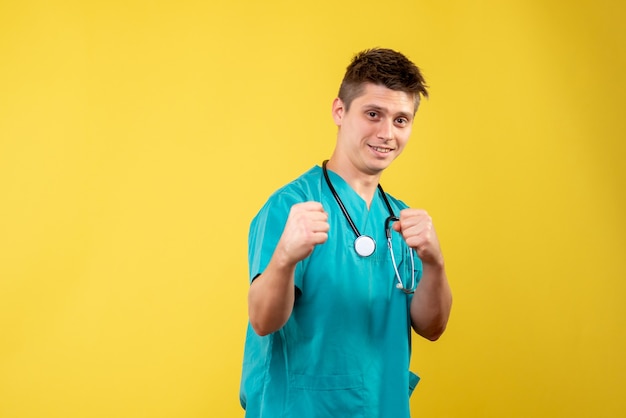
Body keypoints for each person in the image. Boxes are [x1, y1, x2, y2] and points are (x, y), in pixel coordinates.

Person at [239, 48, 453, 417]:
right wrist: (285, 258)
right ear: (340, 111)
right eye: (373, 114)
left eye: (401, 120)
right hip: (301, 408)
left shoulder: (401, 219)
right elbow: (262, 320)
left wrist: (434, 262)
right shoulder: (292, 207)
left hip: (381, 406)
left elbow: (432, 327)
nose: (386, 133)